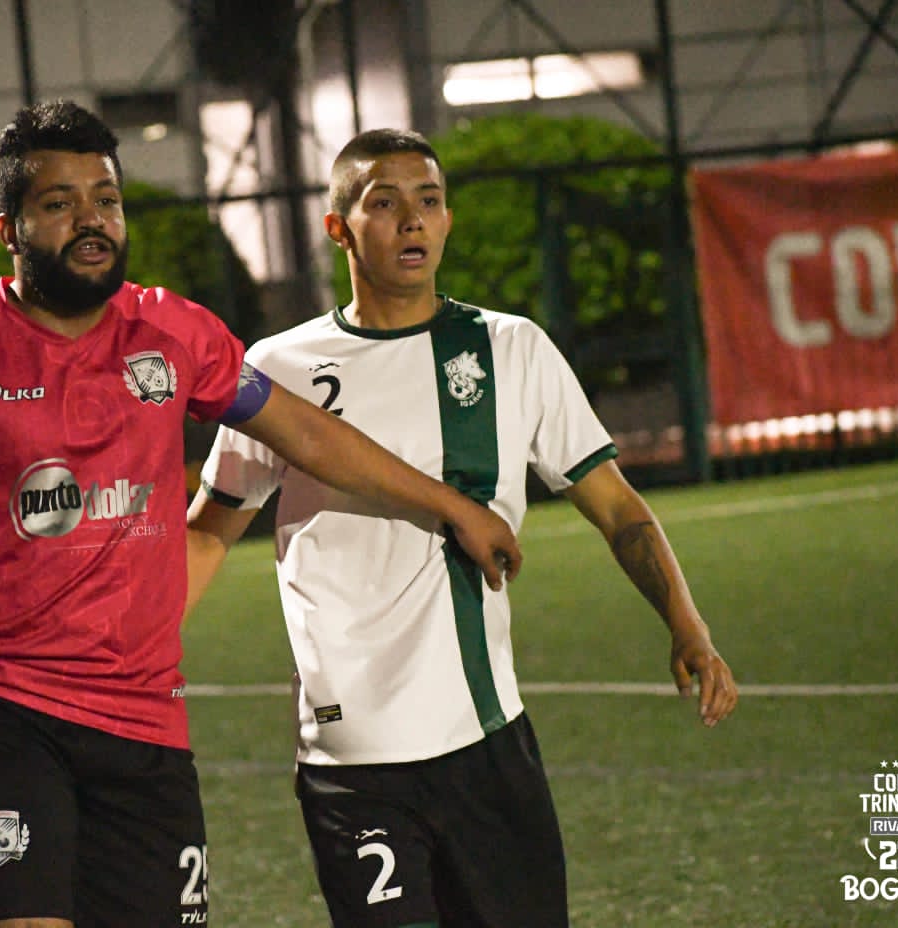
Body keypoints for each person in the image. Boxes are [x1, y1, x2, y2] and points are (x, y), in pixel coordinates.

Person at [0, 103, 521, 928]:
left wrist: (449, 509)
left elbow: (307, 435)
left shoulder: (174, 333)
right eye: (59, 203)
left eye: (106, 200)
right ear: (8, 228)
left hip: (144, 717)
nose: (91, 220)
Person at [186, 128, 740, 928]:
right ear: (339, 228)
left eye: (430, 200)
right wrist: (131, 649)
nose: (412, 220)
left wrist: (687, 623)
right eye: (385, 203)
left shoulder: (511, 349)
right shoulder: (278, 370)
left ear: (447, 221)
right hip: (353, 767)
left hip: (486, 747)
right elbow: (211, 529)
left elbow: (619, 509)